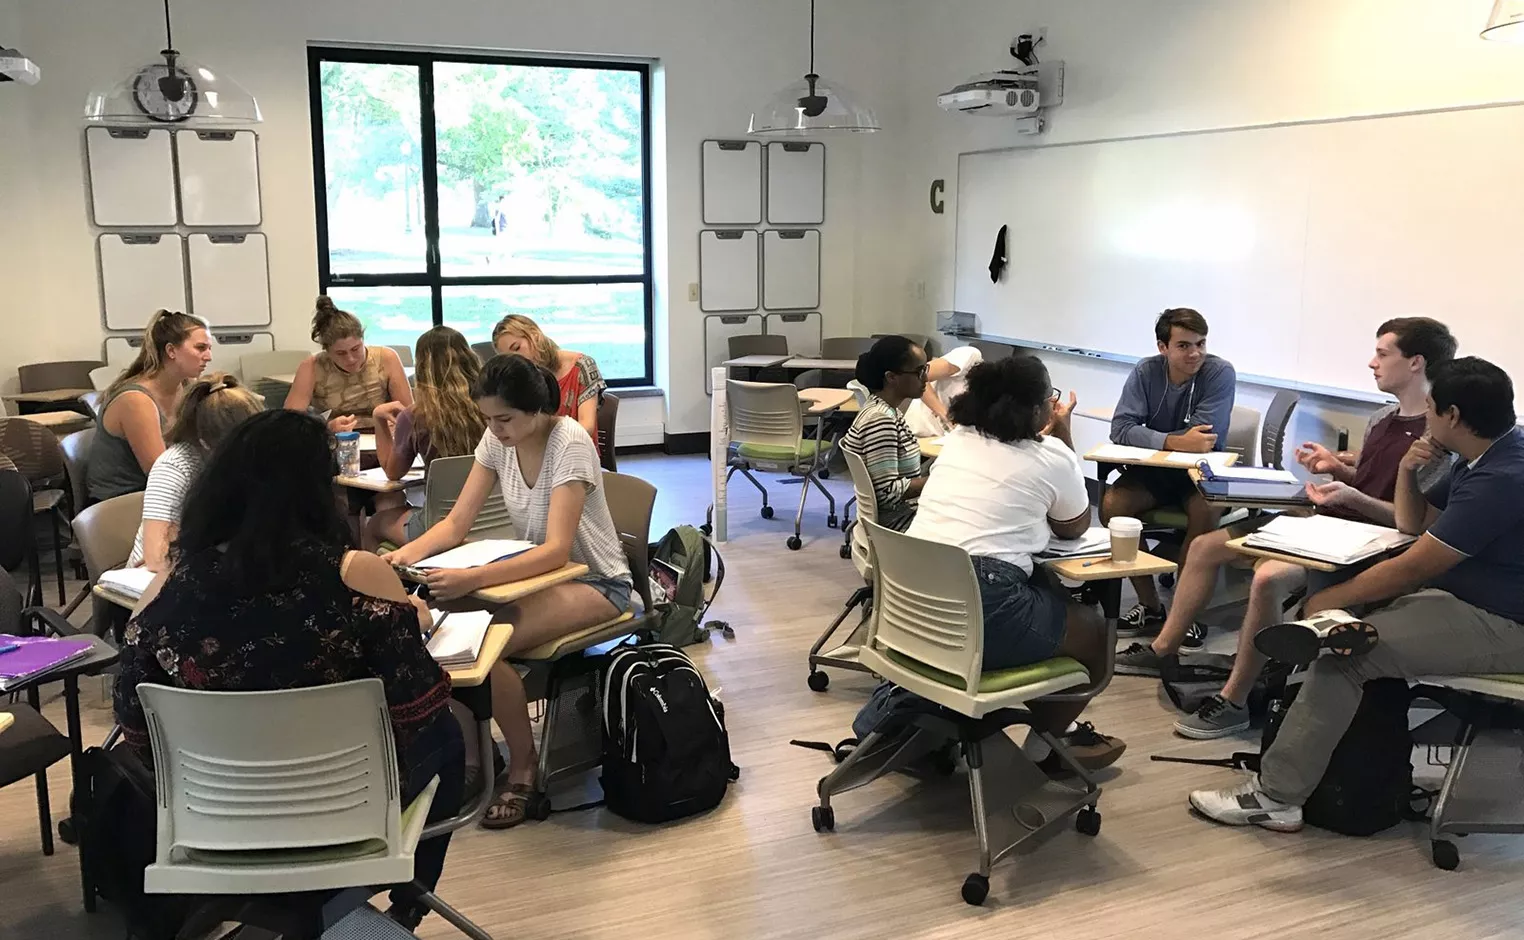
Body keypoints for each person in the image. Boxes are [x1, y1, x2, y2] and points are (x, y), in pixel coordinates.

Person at [113, 410, 460, 929]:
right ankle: (404, 906)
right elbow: (419, 702)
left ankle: (286, 904)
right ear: (320, 491)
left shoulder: (172, 584)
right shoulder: (354, 575)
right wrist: (407, 617)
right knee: (450, 734)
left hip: (215, 819)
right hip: (348, 812)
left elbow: (133, 720)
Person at [1189, 357, 1524, 832]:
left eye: (1430, 408)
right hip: (1469, 603)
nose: (1423, 418)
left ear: (1451, 416)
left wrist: (1328, 600)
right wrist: (1409, 471)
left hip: (1505, 624)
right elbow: (1415, 525)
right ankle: (1312, 739)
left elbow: (1416, 565)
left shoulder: (1503, 477)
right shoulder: (1486, 453)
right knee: (1347, 625)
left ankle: (1276, 797)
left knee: (1348, 653)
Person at [1114, 318, 1458, 737]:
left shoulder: (1436, 435)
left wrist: (1351, 496)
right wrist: (1338, 470)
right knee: (1205, 547)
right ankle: (1163, 649)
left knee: (1268, 577)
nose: (1372, 363)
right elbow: (1366, 481)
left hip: (1373, 543)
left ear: (1416, 362)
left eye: (1383, 354)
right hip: (1333, 524)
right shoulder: (1383, 418)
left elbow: (1411, 522)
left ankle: (1234, 700)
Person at [382, 355, 633, 829]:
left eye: (504, 419)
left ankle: (522, 767)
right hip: (533, 579)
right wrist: (401, 557)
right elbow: (456, 523)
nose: (494, 429)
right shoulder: (499, 439)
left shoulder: (569, 441)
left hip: (596, 582)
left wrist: (472, 580)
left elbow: (558, 551)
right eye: (487, 419)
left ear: (537, 410)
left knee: (480, 643)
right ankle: (478, 757)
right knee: (440, 636)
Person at [906, 355, 1125, 774]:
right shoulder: (1051, 455)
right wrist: (1063, 437)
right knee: (1096, 637)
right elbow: (1073, 525)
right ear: (1040, 409)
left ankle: (954, 729)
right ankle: (1043, 749)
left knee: (1048, 591)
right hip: (980, 610)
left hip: (913, 603)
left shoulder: (957, 440)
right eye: (1050, 398)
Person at [1102, 307, 1237, 642]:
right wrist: (1175, 440)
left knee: (1205, 511)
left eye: (1201, 344)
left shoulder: (1219, 372)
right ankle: (1149, 605)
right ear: (1163, 347)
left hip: (1199, 474)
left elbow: (1205, 438)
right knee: (1112, 505)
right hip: (1155, 472)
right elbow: (1120, 428)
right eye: (1184, 346)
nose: (1195, 354)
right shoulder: (1146, 371)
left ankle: (1183, 613)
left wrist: (1153, 436)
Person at [127, 373, 265, 572]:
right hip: (154, 582)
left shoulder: (251, 457)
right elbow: (156, 559)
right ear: (206, 444)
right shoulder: (174, 467)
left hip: (214, 567)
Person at [366, 326, 489, 549]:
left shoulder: (416, 416)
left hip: (440, 526)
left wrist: (379, 420)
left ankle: (383, 583)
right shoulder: (493, 408)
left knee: (374, 524)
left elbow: (392, 473)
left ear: (422, 367)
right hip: (495, 520)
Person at [87, 310, 213, 503]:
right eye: (200, 348)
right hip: (121, 506)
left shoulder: (184, 386)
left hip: (152, 495)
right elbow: (162, 475)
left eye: (209, 348)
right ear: (171, 351)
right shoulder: (136, 401)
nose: (208, 356)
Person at [284, 296, 413, 433]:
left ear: (363, 340)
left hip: (383, 434)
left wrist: (398, 422)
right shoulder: (312, 366)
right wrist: (326, 428)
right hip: (336, 438)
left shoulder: (386, 358)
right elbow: (290, 421)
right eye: (340, 353)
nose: (351, 359)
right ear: (327, 351)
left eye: (355, 349)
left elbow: (408, 411)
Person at [842, 336, 928, 532]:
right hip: (896, 526)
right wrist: (938, 480)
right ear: (891, 377)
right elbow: (887, 494)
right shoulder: (880, 420)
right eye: (919, 371)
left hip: (899, 519)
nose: (926, 378)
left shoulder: (886, 410)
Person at [491, 314, 606, 450]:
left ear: (535, 335)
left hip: (576, 453)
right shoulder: (518, 378)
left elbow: (587, 426)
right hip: (536, 455)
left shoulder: (582, 366)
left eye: (517, 348)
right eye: (509, 358)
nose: (516, 360)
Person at [904, 345, 982, 438]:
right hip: (916, 432)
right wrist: (945, 416)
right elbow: (919, 377)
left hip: (942, 439)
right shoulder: (971, 356)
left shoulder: (988, 404)